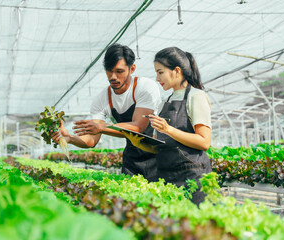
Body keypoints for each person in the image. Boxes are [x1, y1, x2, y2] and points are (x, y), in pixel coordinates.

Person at [51, 43, 161, 181]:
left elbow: (138, 127)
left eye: (119, 71)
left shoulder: (145, 87)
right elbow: (92, 140)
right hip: (132, 160)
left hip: (158, 158)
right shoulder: (102, 99)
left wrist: (102, 127)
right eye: (109, 70)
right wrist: (70, 138)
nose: (113, 76)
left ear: (132, 68)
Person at [124, 47, 212, 205]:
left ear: (176, 70)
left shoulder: (196, 96)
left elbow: (204, 142)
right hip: (167, 176)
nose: (157, 78)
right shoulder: (167, 100)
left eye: (160, 72)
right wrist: (141, 144)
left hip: (192, 178)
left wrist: (168, 129)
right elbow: (165, 147)